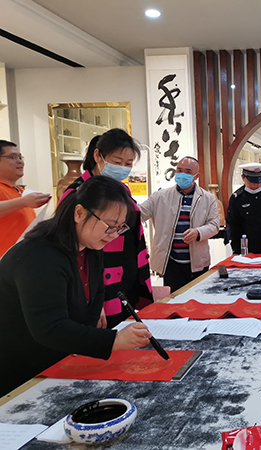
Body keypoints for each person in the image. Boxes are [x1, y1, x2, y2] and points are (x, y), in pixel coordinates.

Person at [0, 176, 153, 397]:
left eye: (120, 228)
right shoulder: (38, 256)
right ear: (79, 213)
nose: (114, 235)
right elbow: (49, 328)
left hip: (60, 364)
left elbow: (96, 295)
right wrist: (114, 341)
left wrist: (85, 345)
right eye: (109, 226)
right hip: (21, 374)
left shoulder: (90, 247)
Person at [60, 129, 153, 328]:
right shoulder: (78, 193)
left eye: (128, 164)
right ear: (97, 156)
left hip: (125, 273)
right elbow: (71, 248)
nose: (122, 168)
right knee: (107, 334)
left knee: (126, 328)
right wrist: (94, 300)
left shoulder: (120, 189)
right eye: (117, 162)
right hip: (100, 279)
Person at [140, 156, 220, 293]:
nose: (182, 174)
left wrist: (198, 232)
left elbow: (214, 225)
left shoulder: (208, 198)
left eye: (188, 171)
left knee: (197, 298)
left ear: (196, 176)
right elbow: (139, 213)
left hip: (197, 263)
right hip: (170, 262)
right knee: (174, 299)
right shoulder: (160, 196)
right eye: (179, 170)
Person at [0, 140, 51, 258]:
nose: (20, 162)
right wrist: (24, 202)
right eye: (13, 157)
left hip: (22, 257)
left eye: (20, 157)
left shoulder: (19, 190)